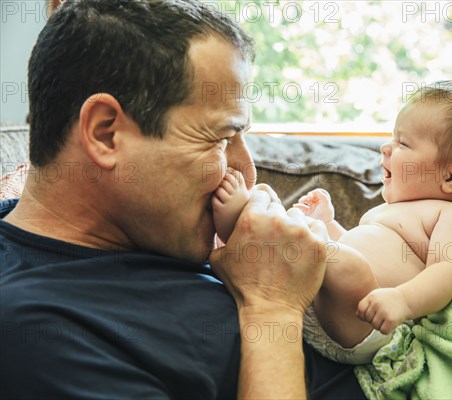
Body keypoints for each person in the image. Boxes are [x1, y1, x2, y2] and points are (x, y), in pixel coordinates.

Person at [0, 1, 365, 399]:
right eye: (219, 139)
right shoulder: (39, 330)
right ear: (106, 133)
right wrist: (272, 307)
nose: (246, 173)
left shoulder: (157, 231)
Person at [212, 82, 452, 364]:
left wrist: (402, 301)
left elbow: (447, 271)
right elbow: (358, 246)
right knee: (268, 198)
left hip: (365, 321)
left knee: (341, 263)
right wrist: (332, 224)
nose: (385, 148)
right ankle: (243, 227)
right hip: (307, 300)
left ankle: (267, 229)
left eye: (403, 143)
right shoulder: (388, 210)